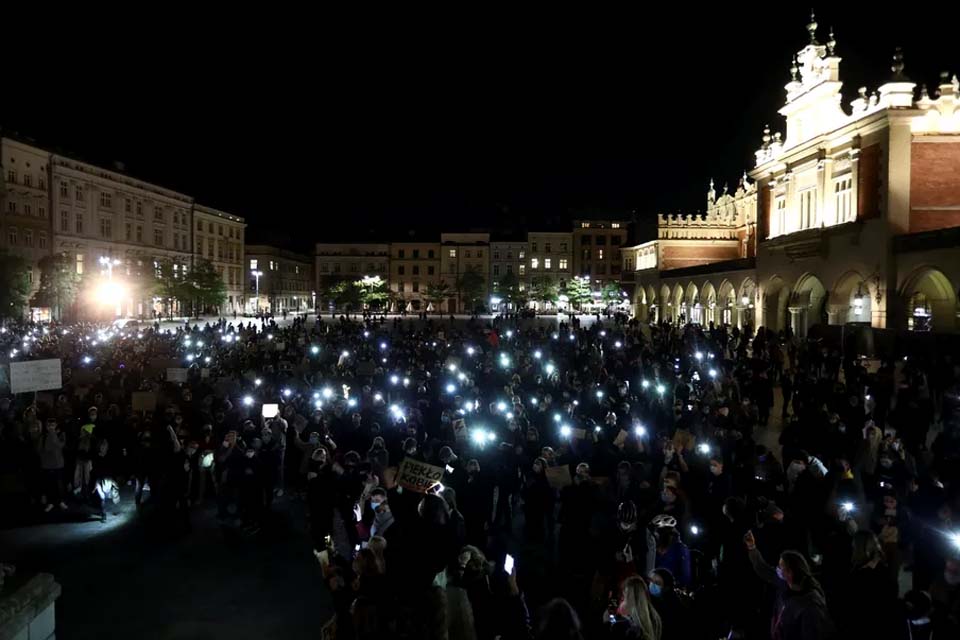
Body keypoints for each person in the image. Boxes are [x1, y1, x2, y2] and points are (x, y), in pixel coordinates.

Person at [743, 530, 835, 640]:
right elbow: (763, 569)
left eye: (781, 567)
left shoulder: (811, 605)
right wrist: (752, 547)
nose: (777, 570)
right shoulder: (785, 582)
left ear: (790, 572)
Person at [607, 575, 662, 639]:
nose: (621, 602)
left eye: (624, 597)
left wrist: (610, 622)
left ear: (631, 598)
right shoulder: (654, 617)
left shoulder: (625, 627)